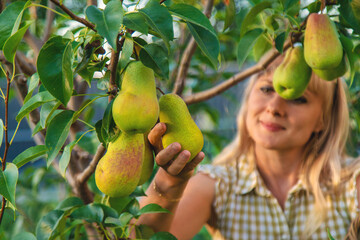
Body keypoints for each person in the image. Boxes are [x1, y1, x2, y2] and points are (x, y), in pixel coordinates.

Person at [136, 50, 360, 240]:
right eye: (266, 89)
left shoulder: (351, 184)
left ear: (324, 118)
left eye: (298, 98)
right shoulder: (218, 184)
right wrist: (171, 181)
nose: (274, 107)